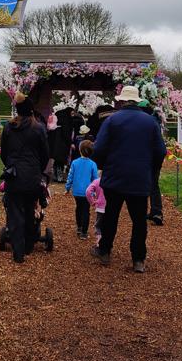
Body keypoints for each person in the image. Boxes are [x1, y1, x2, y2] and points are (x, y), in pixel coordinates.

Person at [90, 85, 167, 273]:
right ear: (138, 101)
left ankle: (105, 251)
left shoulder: (112, 120)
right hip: (140, 178)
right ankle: (138, 259)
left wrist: (103, 166)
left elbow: (98, 149)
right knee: (139, 220)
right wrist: (150, 169)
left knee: (110, 216)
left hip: (115, 176)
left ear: (121, 101)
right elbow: (161, 151)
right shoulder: (150, 123)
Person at [0, 98, 50, 263]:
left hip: (13, 176)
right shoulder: (39, 129)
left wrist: (11, 165)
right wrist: (38, 170)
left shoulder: (8, 127)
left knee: (14, 214)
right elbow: (45, 154)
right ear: (31, 110)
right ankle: (28, 244)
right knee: (29, 210)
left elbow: (3, 153)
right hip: (32, 177)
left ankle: (18, 251)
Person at [65, 140, 98, 239]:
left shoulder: (75, 163)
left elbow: (70, 176)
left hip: (77, 192)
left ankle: (79, 227)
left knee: (78, 209)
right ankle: (84, 232)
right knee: (86, 211)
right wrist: (95, 192)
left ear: (80, 150)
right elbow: (95, 179)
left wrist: (67, 188)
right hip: (88, 192)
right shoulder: (93, 164)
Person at [86, 174, 106, 243]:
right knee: (108, 225)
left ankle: (100, 242)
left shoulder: (97, 181)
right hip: (111, 207)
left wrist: (92, 202)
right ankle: (106, 243)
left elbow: (88, 191)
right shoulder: (113, 181)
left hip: (100, 207)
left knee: (98, 226)